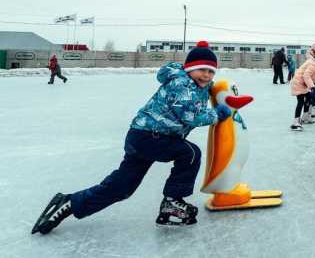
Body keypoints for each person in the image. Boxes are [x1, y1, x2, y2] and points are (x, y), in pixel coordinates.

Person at [31, 41, 232, 234]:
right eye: (202, 70)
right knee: (189, 153)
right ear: (189, 69)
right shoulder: (182, 84)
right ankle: (172, 202)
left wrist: (218, 90)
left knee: (122, 187)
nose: (206, 75)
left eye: (211, 71)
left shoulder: (194, 84)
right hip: (150, 137)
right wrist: (217, 114)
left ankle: (68, 204)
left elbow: (202, 92)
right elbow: (190, 116)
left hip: (143, 136)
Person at [289, 44, 315, 130]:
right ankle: (295, 122)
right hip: (299, 83)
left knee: (309, 98)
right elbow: (306, 75)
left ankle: (305, 116)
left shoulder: (314, 62)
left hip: (303, 83)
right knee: (300, 101)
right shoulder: (314, 64)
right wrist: (312, 86)